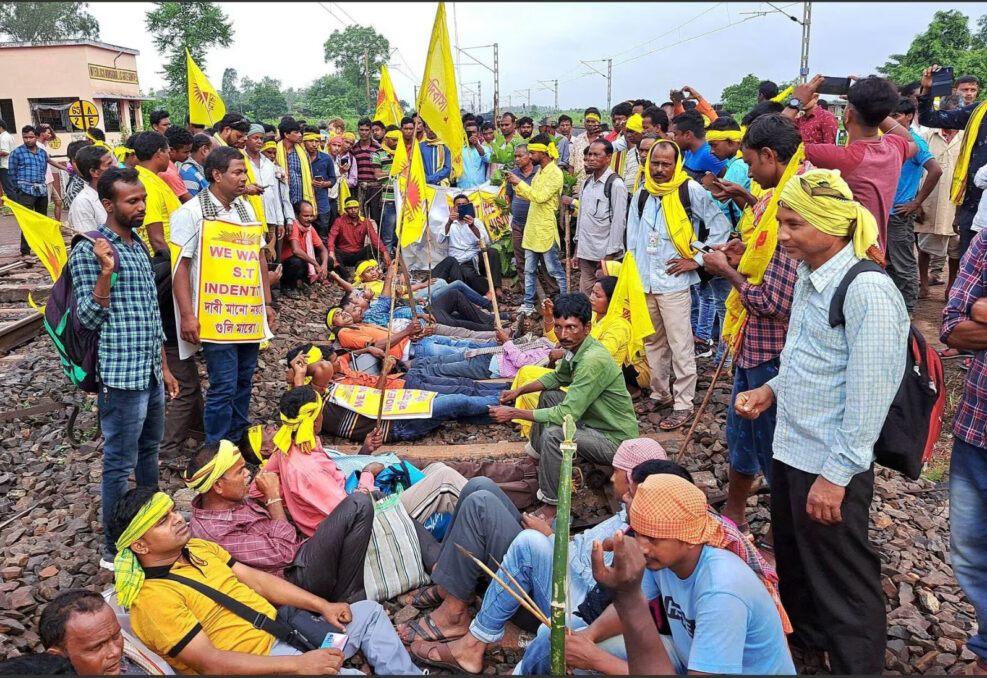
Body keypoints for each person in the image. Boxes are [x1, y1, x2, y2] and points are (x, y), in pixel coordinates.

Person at [734, 168, 909, 674]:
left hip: (829, 462)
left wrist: (836, 476)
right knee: (796, 558)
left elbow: (870, 394)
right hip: (793, 449)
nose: (782, 235)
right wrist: (770, 391)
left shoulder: (866, 291)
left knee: (841, 575)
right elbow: (807, 358)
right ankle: (808, 647)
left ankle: (858, 665)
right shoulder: (813, 277)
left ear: (830, 227)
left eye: (792, 225)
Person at [410, 440, 673, 672]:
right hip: (564, 565)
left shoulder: (645, 533)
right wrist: (555, 534)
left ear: (630, 478)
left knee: (488, 510)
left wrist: (549, 538)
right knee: (480, 486)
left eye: (616, 471)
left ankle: (457, 619)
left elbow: (600, 588)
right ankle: (451, 588)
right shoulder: (630, 510)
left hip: (568, 599)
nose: (612, 478)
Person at [108, 487, 421, 675]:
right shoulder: (153, 599)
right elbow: (211, 664)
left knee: (368, 613)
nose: (178, 518)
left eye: (173, 511)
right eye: (163, 521)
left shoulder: (198, 548)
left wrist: (322, 605)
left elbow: (257, 581)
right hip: (259, 663)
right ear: (140, 545)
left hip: (288, 632)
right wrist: (298, 666)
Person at [67, 167, 179, 567]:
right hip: (120, 375)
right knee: (118, 461)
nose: (141, 207)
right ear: (108, 204)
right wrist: (105, 273)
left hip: (148, 370)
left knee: (149, 451)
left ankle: (152, 523)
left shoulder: (136, 246)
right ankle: (115, 545)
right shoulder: (89, 250)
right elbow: (86, 319)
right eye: (132, 201)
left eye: (143, 199)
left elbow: (150, 316)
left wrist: (164, 367)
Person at [701, 113, 803, 533]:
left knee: (774, 446)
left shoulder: (793, 210)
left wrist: (727, 270)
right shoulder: (773, 196)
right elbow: (759, 247)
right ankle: (736, 516)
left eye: (751, 164)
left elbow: (774, 301)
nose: (749, 172)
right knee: (742, 435)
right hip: (751, 345)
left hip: (773, 352)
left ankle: (787, 537)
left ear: (769, 156)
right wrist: (743, 248)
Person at [594, 475, 796, 675]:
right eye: (638, 533)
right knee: (598, 646)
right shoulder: (661, 558)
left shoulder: (721, 591)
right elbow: (635, 605)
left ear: (690, 538)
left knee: (597, 658)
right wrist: (586, 636)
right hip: (690, 658)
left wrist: (594, 659)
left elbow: (633, 607)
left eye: (653, 538)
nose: (642, 547)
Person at [489, 293, 639, 516]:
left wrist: (514, 412)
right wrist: (519, 390)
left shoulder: (592, 360)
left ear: (587, 328)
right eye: (558, 327)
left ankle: (553, 504)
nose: (563, 334)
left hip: (614, 439)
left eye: (571, 328)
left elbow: (566, 413)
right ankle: (537, 460)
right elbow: (557, 378)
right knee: (548, 395)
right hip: (593, 422)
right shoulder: (575, 349)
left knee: (555, 434)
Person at [171, 147, 276, 450]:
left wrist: (266, 304)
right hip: (215, 315)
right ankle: (215, 448)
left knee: (244, 380)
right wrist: (189, 315)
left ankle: (237, 437)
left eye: (245, 172)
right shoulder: (190, 213)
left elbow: (258, 258)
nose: (244, 178)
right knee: (223, 384)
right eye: (238, 172)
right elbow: (181, 267)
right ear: (217, 175)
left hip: (246, 313)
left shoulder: (245, 209)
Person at [186, 436, 374, 603]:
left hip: (298, 555)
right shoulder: (216, 531)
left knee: (366, 505)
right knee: (358, 504)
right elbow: (286, 553)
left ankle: (346, 592)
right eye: (240, 471)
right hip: (294, 577)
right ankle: (349, 597)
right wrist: (273, 498)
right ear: (218, 486)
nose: (247, 474)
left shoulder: (228, 500)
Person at [627, 139, 731, 430]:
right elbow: (632, 238)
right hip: (645, 281)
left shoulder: (690, 190)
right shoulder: (643, 193)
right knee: (653, 342)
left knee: (681, 344)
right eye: (655, 163)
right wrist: (632, 276)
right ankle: (660, 393)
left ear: (677, 165)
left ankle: (683, 403)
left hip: (673, 283)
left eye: (665, 164)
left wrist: (697, 260)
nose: (659, 169)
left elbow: (720, 227)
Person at [785, 74, 918, 252]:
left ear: (847, 115)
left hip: (845, 254)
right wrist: (875, 106)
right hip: (875, 250)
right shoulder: (893, 148)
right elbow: (912, 143)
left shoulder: (845, 157)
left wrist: (796, 101)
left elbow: (773, 137)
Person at [941, 228, 987, 675]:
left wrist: (985, 309)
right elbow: (953, 327)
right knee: (971, 553)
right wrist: (974, 311)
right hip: (979, 426)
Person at [918, 65, 987, 259]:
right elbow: (930, 118)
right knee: (970, 271)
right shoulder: (979, 111)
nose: (970, 93)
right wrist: (928, 90)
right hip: (973, 208)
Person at [887, 96, 941, 313]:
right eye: (888, 116)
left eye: (896, 116)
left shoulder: (915, 143)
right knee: (887, 262)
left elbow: (936, 170)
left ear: (909, 117)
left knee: (903, 263)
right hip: (883, 212)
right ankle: (893, 306)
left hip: (899, 212)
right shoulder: (887, 139)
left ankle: (908, 308)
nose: (891, 121)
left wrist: (916, 202)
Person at [39, 589, 169, 675]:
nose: (116, 652)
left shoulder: (131, 656)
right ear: (57, 656)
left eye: (116, 636)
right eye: (97, 647)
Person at [507, 134, 567, 314]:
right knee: (529, 269)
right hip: (533, 227)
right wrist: (516, 184)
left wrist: (519, 183)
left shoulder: (555, 173)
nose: (530, 156)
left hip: (544, 227)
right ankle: (528, 304)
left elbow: (540, 197)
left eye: (532, 152)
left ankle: (564, 303)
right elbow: (529, 194)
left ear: (542, 152)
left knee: (554, 269)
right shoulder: (541, 171)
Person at [917, 94, 964, 299]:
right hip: (929, 198)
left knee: (955, 249)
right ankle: (924, 284)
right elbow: (918, 169)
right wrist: (917, 201)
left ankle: (950, 287)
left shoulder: (966, 137)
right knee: (923, 246)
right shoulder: (928, 135)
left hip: (955, 201)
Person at [572, 139, 627, 296]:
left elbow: (618, 223)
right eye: (589, 154)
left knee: (606, 298)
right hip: (586, 252)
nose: (591, 158)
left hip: (604, 255)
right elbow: (582, 219)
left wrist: (608, 259)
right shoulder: (587, 184)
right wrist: (577, 250)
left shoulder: (615, 184)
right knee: (587, 296)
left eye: (596, 155)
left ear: (608, 157)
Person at [433, 193, 502, 298]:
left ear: (469, 206)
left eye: (464, 204)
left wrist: (472, 226)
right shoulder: (448, 222)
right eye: (458, 205)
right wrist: (449, 222)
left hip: (475, 257)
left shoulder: (476, 222)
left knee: (493, 252)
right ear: (454, 208)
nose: (461, 207)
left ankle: (497, 288)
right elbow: (440, 241)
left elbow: (486, 241)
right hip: (460, 261)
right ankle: (489, 291)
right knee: (468, 275)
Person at [8, 125, 61, 257]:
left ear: (36, 137)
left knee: (42, 220)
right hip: (25, 190)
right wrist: (18, 189)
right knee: (28, 222)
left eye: (31, 137)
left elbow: (43, 170)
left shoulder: (42, 153)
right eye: (25, 137)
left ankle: (43, 249)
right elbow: (12, 173)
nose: (28, 140)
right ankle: (25, 251)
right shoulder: (17, 153)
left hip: (41, 190)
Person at [130, 131, 181, 254]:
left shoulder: (151, 179)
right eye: (168, 152)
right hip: (163, 257)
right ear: (159, 153)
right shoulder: (147, 185)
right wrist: (171, 266)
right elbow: (156, 238)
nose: (169, 157)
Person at [328, 197, 390, 271]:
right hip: (343, 255)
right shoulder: (339, 221)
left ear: (359, 208)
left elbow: (375, 239)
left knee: (372, 248)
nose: (353, 210)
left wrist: (385, 252)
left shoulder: (365, 222)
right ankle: (345, 276)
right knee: (331, 250)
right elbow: (331, 237)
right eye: (350, 208)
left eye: (355, 208)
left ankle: (368, 271)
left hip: (358, 256)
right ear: (346, 210)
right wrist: (331, 252)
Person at [281, 200, 329, 292]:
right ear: (296, 215)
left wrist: (324, 265)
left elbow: (323, 249)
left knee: (328, 260)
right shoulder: (293, 226)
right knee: (297, 262)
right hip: (289, 264)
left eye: (311, 216)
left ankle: (305, 281)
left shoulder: (310, 228)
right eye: (306, 216)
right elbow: (296, 250)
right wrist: (315, 264)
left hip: (304, 261)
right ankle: (288, 287)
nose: (309, 219)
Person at [67, 145, 114, 233]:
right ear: (94, 172)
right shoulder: (83, 203)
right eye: (109, 164)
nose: (115, 167)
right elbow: (91, 241)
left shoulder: (114, 192)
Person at [302, 126, 336, 244]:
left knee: (323, 236)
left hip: (322, 203)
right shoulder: (300, 158)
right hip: (304, 203)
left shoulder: (326, 158)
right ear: (304, 141)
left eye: (317, 141)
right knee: (304, 235)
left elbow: (333, 179)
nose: (314, 144)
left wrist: (324, 183)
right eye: (311, 141)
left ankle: (324, 260)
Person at [670, 110, 726, 179]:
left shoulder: (708, 154)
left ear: (687, 135)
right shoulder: (689, 151)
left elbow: (728, 179)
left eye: (676, 134)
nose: (674, 138)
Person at [275, 117, 314, 212]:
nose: (300, 135)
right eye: (296, 132)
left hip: (300, 200)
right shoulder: (275, 152)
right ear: (286, 134)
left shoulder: (303, 153)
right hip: (281, 200)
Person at [371, 126, 400, 250]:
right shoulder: (378, 153)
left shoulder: (404, 153)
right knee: (388, 234)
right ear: (386, 139)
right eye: (394, 139)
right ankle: (387, 259)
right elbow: (377, 175)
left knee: (400, 233)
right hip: (389, 199)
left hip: (404, 199)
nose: (397, 142)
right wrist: (394, 174)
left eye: (399, 140)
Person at [352, 117, 382, 220]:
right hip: (359, 188)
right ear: (358, 130)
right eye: (361, 130)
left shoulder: (378, 148)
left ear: (370, 131)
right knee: (360, 218)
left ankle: (377, 237)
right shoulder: (354, 148)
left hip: (375, 187)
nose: (364, 133)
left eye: (366, 130)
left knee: (377, 218)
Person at [159, 127, 193, 203]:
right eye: (186, 152)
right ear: (171, 150)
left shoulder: (167, 166)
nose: (189, 155)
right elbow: (190, 201)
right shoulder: (169, 173)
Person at [572, 108, 604, 184]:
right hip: (578, 185)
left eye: (593, 121)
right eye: (588, 121)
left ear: (599, 122)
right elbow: (571, 165)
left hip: (598, 184)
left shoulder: (605, 139)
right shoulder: (578, 140)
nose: (590, 124)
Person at [458, 119, 489, 189]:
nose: (471, 134)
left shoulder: (485, 148)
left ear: (478, 133)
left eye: (473, 132)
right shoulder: (459, 150)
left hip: (479, 189)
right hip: (462, 188)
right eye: (468, 132)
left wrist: (476, 145)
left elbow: (487, 159)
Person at [179, 133, 211, 198]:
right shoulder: (188, 172)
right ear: (204, 150)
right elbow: (192, 204)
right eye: (214, 151)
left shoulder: (199, 169)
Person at [0, 119, 15, 208]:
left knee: (9, 189)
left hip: (5, 166)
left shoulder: (3, 137)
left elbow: (5, 152)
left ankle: (17, 208)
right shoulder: (9, 136)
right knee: (10, 188)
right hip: (9, 165)